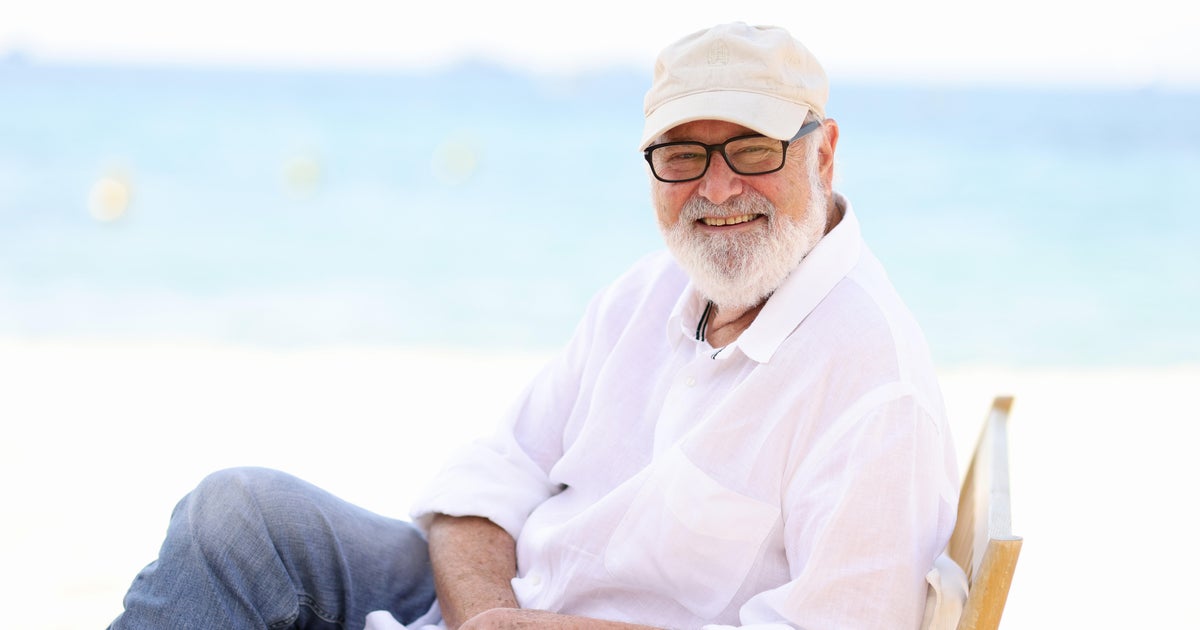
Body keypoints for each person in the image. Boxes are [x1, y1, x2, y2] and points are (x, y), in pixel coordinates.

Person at [108, 22, 958, 630]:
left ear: (823, 152)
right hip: (497, 603)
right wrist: (489, 616)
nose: (717, 187)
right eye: (682, 154)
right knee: (235, 515)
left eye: (752, 148)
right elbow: (490, 477)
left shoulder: (872, 388)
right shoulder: (649, 293)